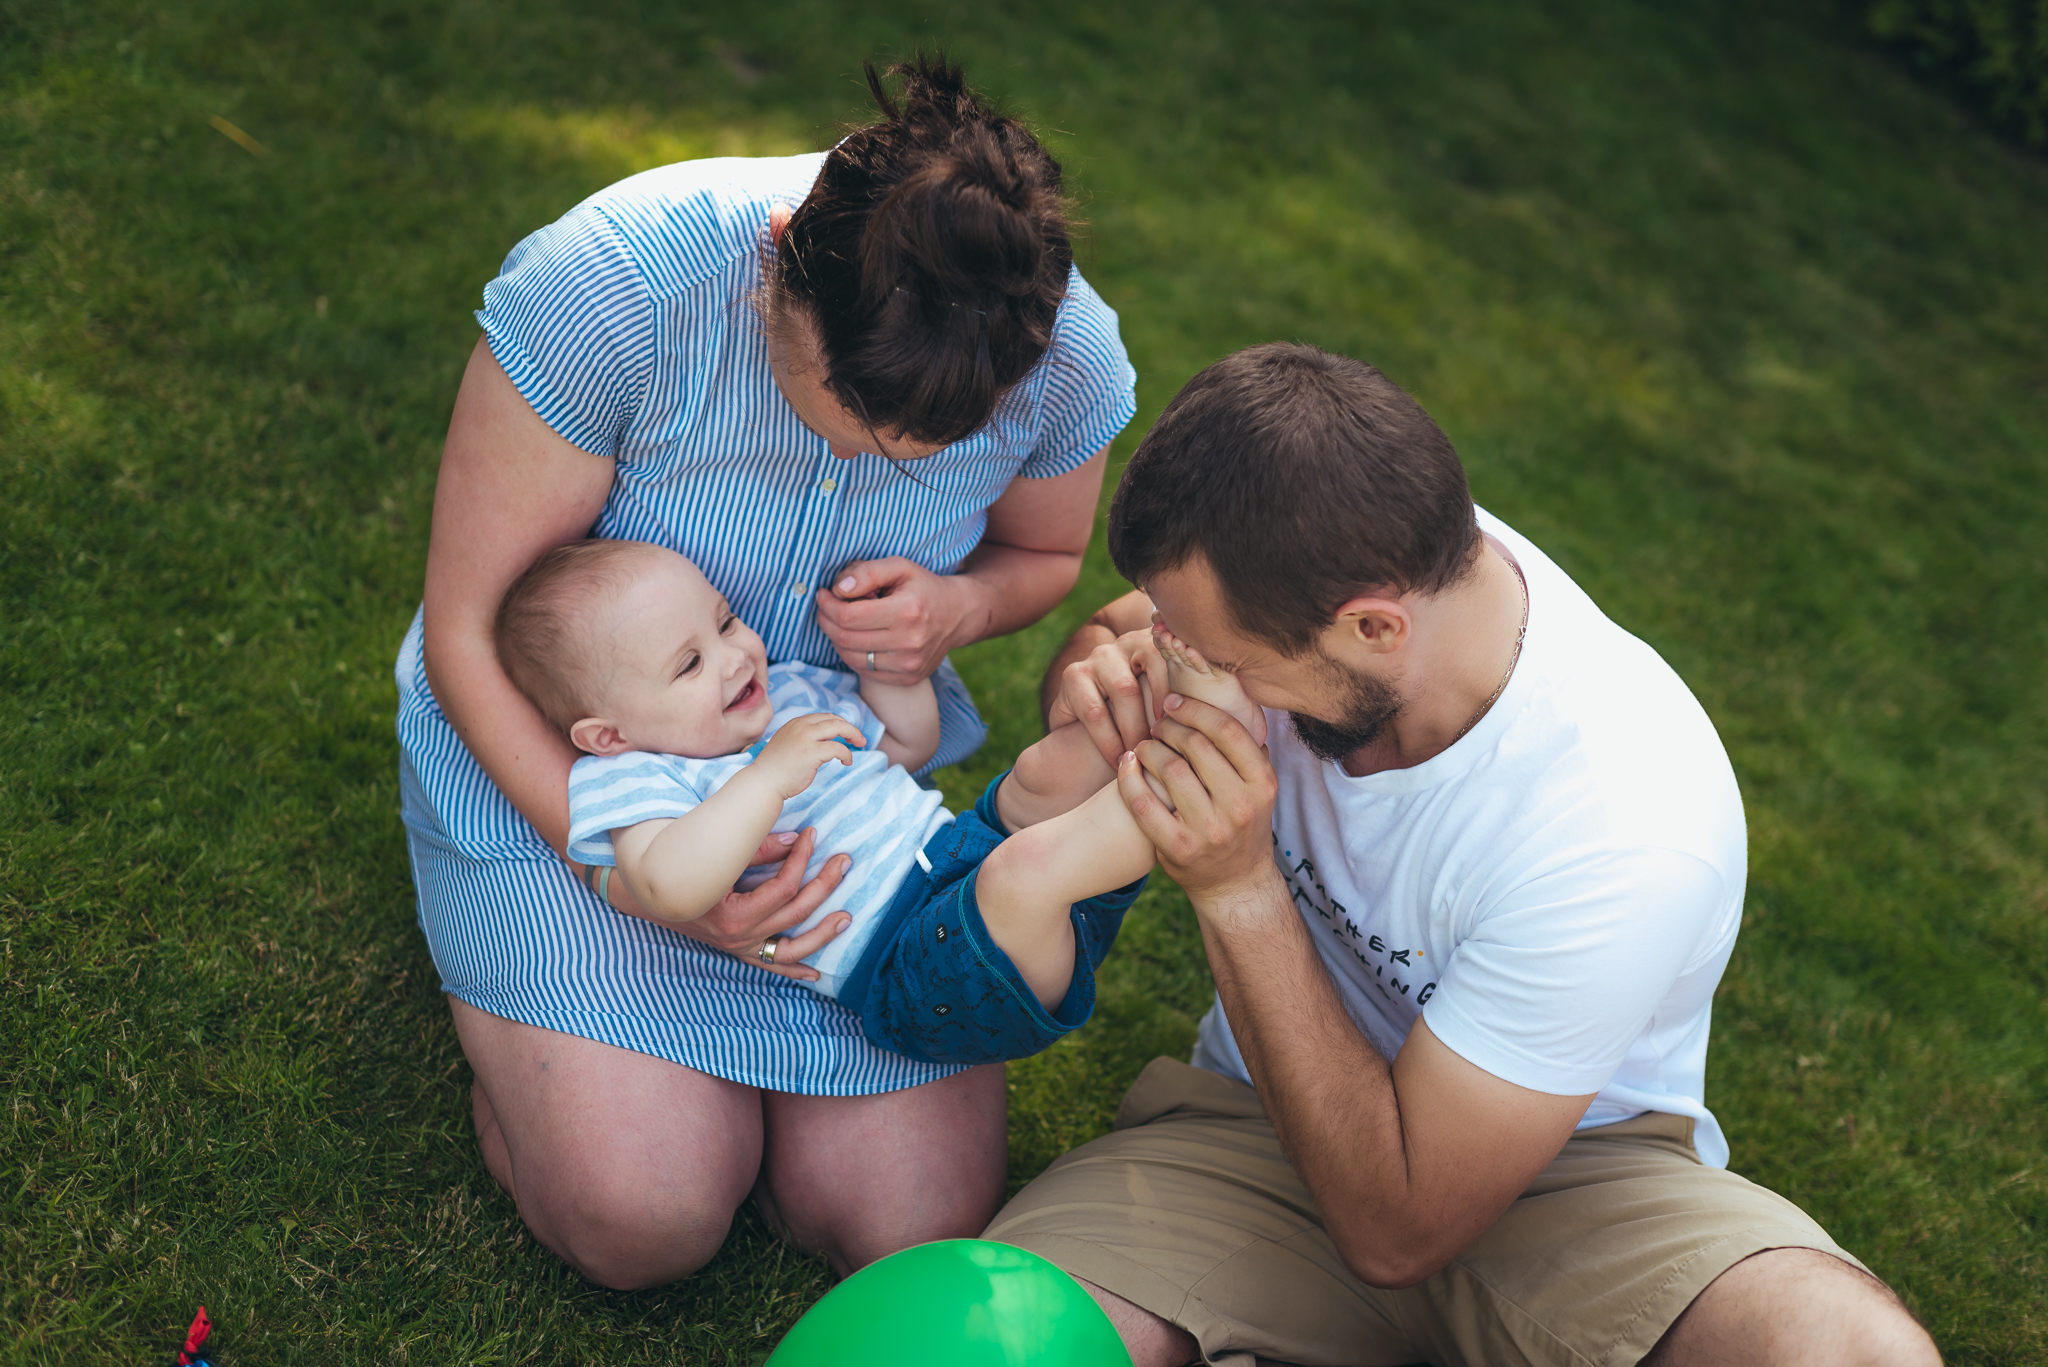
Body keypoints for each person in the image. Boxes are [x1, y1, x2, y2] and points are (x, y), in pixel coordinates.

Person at [985, 344, 1941, 1366]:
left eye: (1223, 660)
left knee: (1844, 1350)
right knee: (995, 1334)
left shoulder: (1624, 820)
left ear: (1372, 624)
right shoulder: (1323, 558)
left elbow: (1398, 1225)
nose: (1195, 668)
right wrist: (1093, 682)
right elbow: (1116, 632)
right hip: (1254, 1135)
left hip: (1576, 1186)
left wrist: (1237, 889)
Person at [396, 56, 1136, 1288]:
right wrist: (631, 879)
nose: (880, 456)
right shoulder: (614, 287)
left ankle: (733, 1096)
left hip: (833, 787)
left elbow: (1045, 553)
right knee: (644, 1212)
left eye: (928, 446)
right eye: (846, 404)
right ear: (778, 257)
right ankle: (544, 1037)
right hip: (579, 776)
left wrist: (957, 606)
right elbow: (467, 629)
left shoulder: (1056, 357)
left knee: (911, 1225)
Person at [494, 537, 1238, 1059]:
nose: (733, 656)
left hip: (960, 853)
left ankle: (1181, 700)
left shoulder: (781, 695)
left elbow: (909, 743)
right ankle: (1196, 764)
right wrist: (766, 778)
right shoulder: (638, 775)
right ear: (608, 733)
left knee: (1046, 775)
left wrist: (886, 669)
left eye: (723, 620)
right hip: (916, 965)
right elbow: (669, 884)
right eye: (688, 663)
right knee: (1030, 871)